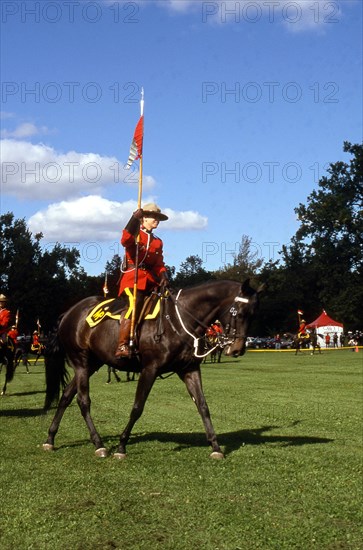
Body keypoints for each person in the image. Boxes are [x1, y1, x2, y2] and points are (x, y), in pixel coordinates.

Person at [115, 203, 169, 358]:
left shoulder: (158, 241)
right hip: (133, 279)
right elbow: (125, 240)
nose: (157, 220)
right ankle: (123, 345)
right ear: (144, 218)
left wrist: (164, 275)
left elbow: (159, 263)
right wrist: (133, 219)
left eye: (159, 217)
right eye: (154, 217)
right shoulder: (136, 234)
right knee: (134, 304)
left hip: (151, 281)